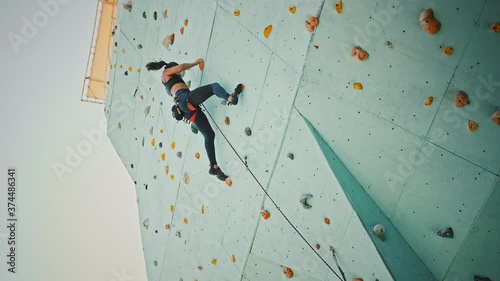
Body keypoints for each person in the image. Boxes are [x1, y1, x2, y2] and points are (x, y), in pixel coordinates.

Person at [146, 58, 243, 181]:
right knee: (214, 87)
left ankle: (213, 167)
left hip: (188, 109)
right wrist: (195, 63)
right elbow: (180, 67)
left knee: (209, 135)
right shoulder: (165, 73)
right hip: (185, 101)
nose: (179, 75)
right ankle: (230, 98)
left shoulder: (169, 84)